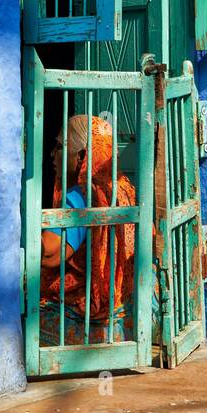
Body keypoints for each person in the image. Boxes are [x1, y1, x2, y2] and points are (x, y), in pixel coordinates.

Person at [39, 114, 136, 344]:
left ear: (82, 156)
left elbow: (49, 255)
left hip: (88, 310)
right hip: (122, 303)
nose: (52, 155)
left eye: (59, 147)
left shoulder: (81, 196)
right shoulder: (122, 188)